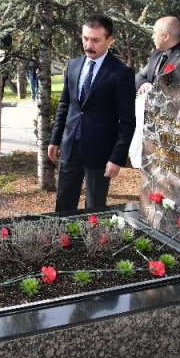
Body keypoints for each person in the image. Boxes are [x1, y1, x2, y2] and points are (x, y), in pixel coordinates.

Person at [48, 15, 136, 213]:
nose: (89, 45)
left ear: (109, 40)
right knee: (63, 205)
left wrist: (117, 157)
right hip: (70, 146)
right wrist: (55, 140)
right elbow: (65, 105)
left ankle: (92, 243)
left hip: (100, 152)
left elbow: (127, 121)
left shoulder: (121, 73)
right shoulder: (73, 65)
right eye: (85, 38)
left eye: (95, 40)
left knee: (95, 210)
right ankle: (61, 242)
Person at [135, 16, 180, 95]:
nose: (152, 37)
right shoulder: (157, 54)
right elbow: (139, 76)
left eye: (155, 33)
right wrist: (144, 83)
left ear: (166, 36)